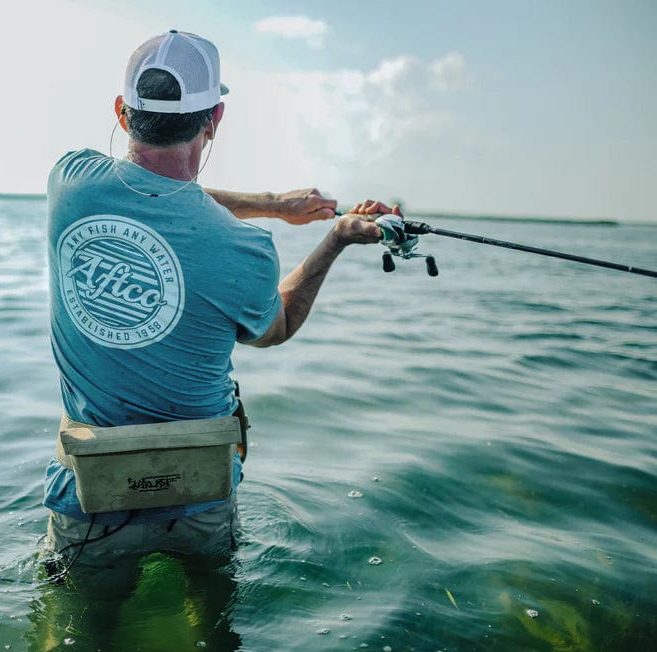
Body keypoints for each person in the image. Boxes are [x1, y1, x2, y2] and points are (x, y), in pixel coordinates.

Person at [43, 29, 402, 566]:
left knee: (73, 645)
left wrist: (272, 203)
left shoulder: (70, 182)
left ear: (122, 112)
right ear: (214, 120)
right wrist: (336, 238)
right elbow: (274, 329)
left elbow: (148, 191)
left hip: (88, 496)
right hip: (200, 495)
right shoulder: (245, 249)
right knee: (210, 647)